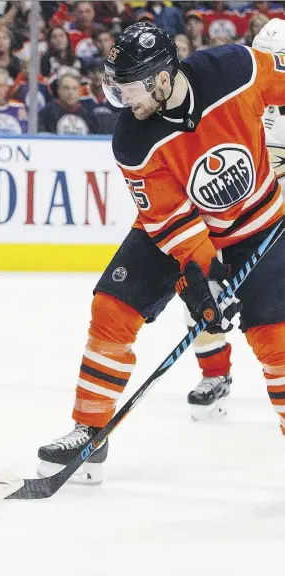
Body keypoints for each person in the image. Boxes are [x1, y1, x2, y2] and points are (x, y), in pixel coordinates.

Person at [37, 22, 285, 485]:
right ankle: (89, 430)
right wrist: (206, 279)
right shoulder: (132, 138)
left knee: (277, 342)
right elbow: (172, 223)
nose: (124, 100)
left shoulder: (236, 69)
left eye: (130, 88)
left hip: (258, 225)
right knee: (111, 309)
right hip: (182, 229)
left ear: (163, 78)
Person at [184, 18, 285, 420]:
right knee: (203, 298)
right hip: (226, 226)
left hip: (272, 226)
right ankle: (215, 374)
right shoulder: (235, 96)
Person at [41, 26, 82, 98]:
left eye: (61, 36)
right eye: (54, 37)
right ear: (49, 41)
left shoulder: (77, 60)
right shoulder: (45, 60)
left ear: (67, 39)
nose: (59, 39)